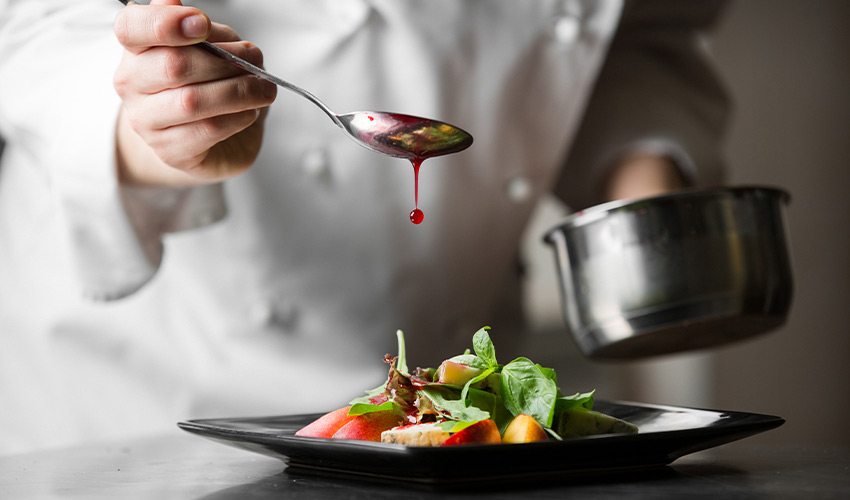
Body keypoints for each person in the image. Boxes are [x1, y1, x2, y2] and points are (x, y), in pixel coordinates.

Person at [0, 0, 728, 454]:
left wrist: (646, 203)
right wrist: (155, 125)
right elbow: (34, 23)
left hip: (457, 407)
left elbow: (633, 34)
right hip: (146, 391)